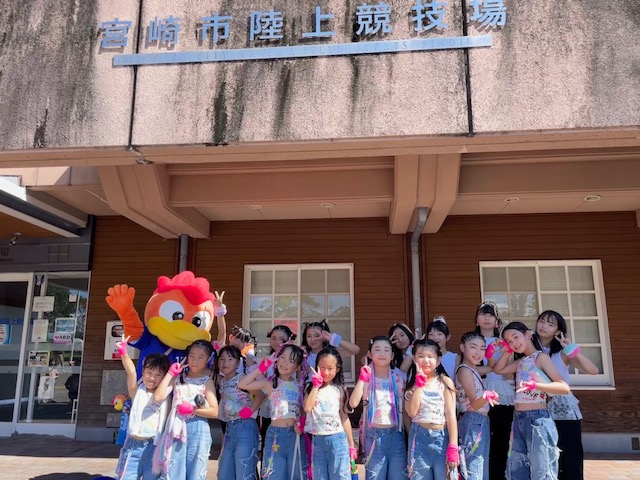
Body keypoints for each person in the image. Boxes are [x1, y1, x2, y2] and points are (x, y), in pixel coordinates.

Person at [493, 322, 570, 480]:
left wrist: (536, 385)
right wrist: (508, 350)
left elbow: (564, 387)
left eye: (516, 337)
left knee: (542, 470)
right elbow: (498, 369)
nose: (514, 343)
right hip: (519, 419)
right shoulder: (522, 361)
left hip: (538, 419)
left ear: (528, 334)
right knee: (518, 469)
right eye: (509, 341)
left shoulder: (541, 357)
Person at [535, 310, 598, 480]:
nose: (544, 326)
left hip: (562, 407)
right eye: (542, 321)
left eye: (550, 324)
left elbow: (593, 370)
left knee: (569, 454)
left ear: (558, 331)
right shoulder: (529, 349)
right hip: (536, 404)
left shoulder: (562, 352)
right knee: (542, 455)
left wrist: (571, 349)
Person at [239, 343, 307, 480]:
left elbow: (303, 409)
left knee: (296, 474)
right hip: (275, 434)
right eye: (282, 357)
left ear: (297, 367)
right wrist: (261, 368)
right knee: (273, 473)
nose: (285, 363)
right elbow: (242, 384)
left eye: (291, 360)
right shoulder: (269, 382)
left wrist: (302, 422)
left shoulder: (299, 385)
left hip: (295, 435)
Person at [153, 339, 219, 480]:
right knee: (173, 470)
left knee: (196, 471)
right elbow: (158, 397)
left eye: (201, 357)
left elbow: (214, 411)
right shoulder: (178, 378)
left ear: (208, 359)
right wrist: (170, 373)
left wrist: (191, 410)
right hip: (176, 428)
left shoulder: (207, 381)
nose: (195, 360)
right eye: (192, 355)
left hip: (198, 429)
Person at [349, 336, 407, 480]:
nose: (382, 353)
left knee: (398, 476)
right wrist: (362, 379)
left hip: (396, 434)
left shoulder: (399, 377)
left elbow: (405, 410)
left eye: (386, 350)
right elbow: (353, 403)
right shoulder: (367, 378)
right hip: (373, 435)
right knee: (375, 476)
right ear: (370, 354)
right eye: (377, 349)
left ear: (392, 355)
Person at [114, 336, 171, 480]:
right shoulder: (137, 391)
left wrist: (172, 374)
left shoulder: (165, 396)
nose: (152, 378)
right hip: (134, 446)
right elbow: (131, 372)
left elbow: (171, 382)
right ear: (143, 371)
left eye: (158, 375)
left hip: (154, 447)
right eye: (149, 373)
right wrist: (124, 352)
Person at [404, 339, 459, 480]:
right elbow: (412, 412)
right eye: (421, 356)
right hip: (418, 436)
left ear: (438, 360)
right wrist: (418, 385)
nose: (425, 360)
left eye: (430, 356)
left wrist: (453, 446)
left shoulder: (445, 382)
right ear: (414, 358)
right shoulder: (411, 384)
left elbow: (451, 415)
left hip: (441, 437)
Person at [474, 301, 514, 480]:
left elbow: (508, 373)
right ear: (476, 320)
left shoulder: (504, 342)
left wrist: (503, 352)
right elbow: (468, 368)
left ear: (497, 321)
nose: (487, 318)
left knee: (501, 437)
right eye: (483, 314)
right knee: (479, 437)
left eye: (491, 314)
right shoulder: (471, 341)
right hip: (478, 391)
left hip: (501, 392)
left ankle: (498, 475)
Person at [304, 346, 357, 480]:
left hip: (338, 439)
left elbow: (344, 417)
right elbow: (307, 408)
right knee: (319, 476)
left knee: (340, 476)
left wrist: (351, 445)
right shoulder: (310, 388)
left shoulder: (340, 389)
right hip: (317, 440)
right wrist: (316, 386)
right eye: (322, 367)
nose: (325, 372)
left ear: (337, 369)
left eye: (330, 368)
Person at [214, 345, 265, 480]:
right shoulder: (222, 380)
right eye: (222, 359)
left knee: (244, 471)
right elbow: (207, 372)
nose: (225, 363)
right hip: (230, 429)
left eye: (230, 359)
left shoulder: (241, 379)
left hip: (245, 427)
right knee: (225, 472)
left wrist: (250, 411)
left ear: (238, 363)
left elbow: (260, 395)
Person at [455, 331, 499, 480]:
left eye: (482, 348)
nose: (478, 352)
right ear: (462, 347)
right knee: (474, 467)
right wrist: (486, 396)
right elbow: (474, 403)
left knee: (480, 466)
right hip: (473, 419)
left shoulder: (472, 369)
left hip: (480, 420)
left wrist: (490, 352)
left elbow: (491, 367)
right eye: (473, 347)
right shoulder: (464, 370)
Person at [258, 325, 298, 459]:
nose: (277, 342)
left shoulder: (296, 358)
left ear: (289, 340)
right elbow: (259, 384)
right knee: (269, 449)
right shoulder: (267, 360)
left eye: (282, 339)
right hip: (270, 411)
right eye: (274, 338)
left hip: (290, 414)